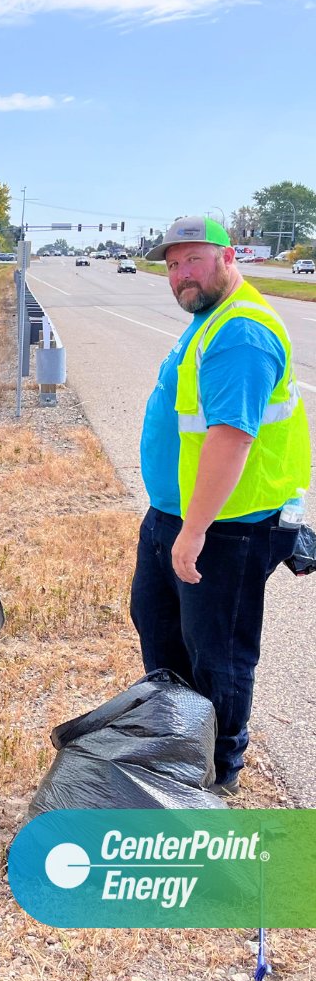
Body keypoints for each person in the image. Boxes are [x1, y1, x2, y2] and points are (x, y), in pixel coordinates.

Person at [131, 216, 310, 796]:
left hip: (222, 530)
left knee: (219, 654)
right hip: (179, 517)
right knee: (161, 631)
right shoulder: (209, 320)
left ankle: (218, 770)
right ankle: (179, 743)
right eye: (174, 264)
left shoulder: (240, 333)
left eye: (195, 260)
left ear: (228, 256)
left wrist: (193, 531)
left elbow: (232, 438)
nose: (182, 274)